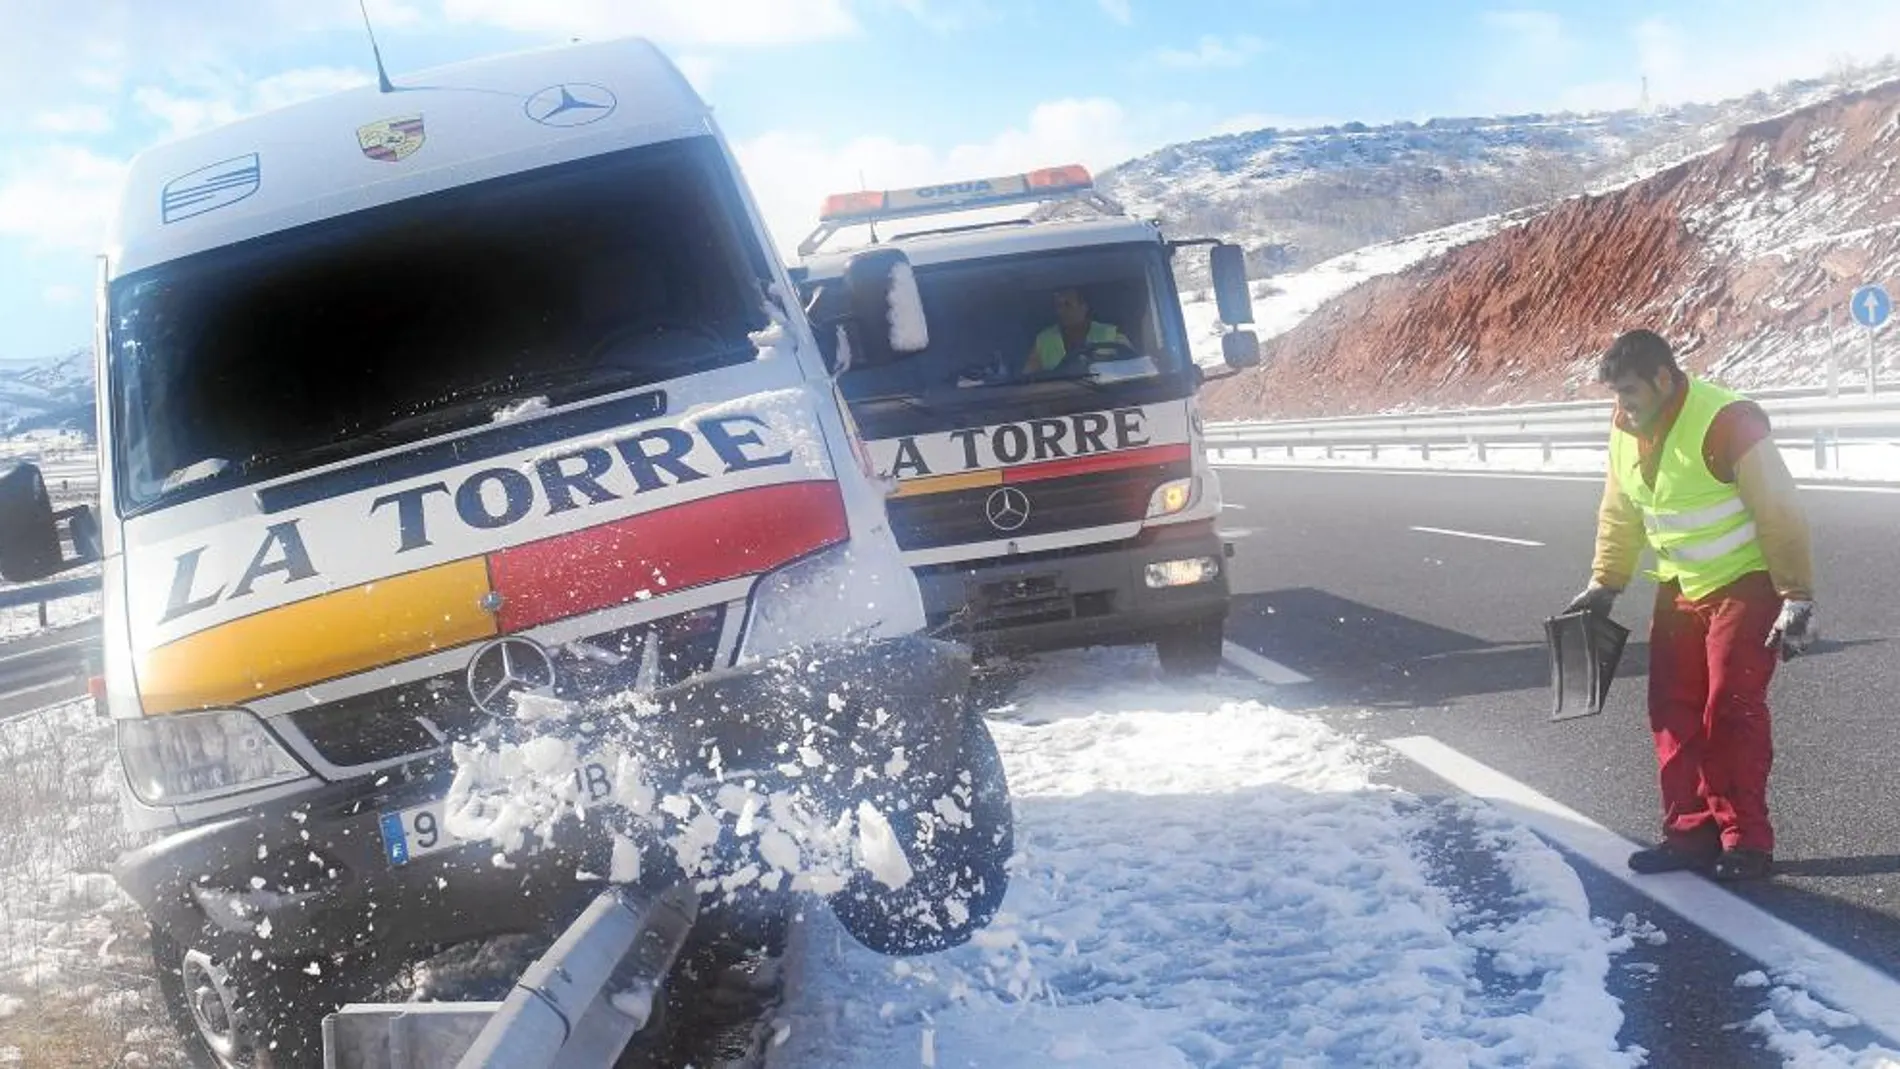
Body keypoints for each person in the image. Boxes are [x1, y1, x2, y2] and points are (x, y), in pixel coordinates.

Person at [1563, 329, 1815, 882]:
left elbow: (1780, 509)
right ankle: (1689, 836)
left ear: (1662, 377)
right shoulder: (1626, 427)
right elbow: (1620, 507)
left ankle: (1746, 842)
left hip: (1746, 583)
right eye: (1614, 394)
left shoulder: (1728, 421)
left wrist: (1796, 594)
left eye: (1629, 390)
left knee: (1730, 709)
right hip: (1680, 584)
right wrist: (1606, 581)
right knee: (1671, 709)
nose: (1621, 404)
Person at [1025, 287, 1129, 373]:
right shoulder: (1044, 340)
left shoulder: (1111, 334)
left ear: (1084, 307)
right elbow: (1027, 381)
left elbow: (1135, 368)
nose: (1060, 311)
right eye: (1058, 306)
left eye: (1067, 305)